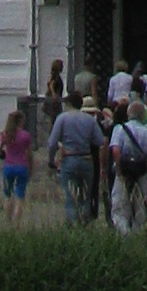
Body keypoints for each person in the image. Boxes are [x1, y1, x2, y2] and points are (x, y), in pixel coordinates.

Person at [48, 90, 102, 226]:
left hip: (69, 158)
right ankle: (85, 222)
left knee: (70, 196)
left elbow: (52, 142)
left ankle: (73, 224)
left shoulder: (62, 118)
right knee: (86, 195)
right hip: (86, 158)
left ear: (68, 104)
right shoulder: (89, 120)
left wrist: (51, 159)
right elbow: (99, 140)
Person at [109, 99, 147, 232]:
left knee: (119, 207)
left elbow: (116, 150)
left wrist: (119, 169)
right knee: (141, 207)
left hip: (123, 172)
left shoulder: (119, 129)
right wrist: (144, 168)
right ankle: (138, 233)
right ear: (143, 115)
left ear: (128, 114)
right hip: (141, 174)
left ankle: (124, 233)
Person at [0, 102, 35, 229]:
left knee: (7, 195)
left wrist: (2, 153)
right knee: (19, 197)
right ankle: (16, 224)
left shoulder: (6, 134)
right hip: (22, 166)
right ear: (20, 121)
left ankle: (7, 222)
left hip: (8, 166)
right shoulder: (26, 136)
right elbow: (30, 154)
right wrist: (31, 168)